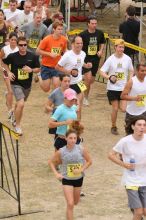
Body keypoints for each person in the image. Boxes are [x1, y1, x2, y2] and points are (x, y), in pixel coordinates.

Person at [48, 129, 92, 220]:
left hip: (78, 179)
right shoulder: (61, 151)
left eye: (75, 138)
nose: (72, 140)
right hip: (66, 179)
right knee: (70, 204)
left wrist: (81, 169)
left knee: (75, 202)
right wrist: (56, 174)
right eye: (70, 138)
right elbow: (51, 162)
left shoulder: (81, 149)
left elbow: (89, 161)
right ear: (66, 138)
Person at [108, 116, 146, 220]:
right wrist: (123, 164)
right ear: (133, 126)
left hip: (144, 180)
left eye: (144, 125)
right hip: (131, 180)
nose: (142, 127)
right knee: (138, 212)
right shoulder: (125, 141)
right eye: (139, 125)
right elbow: (111, 154)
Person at [2, 36, 40, 135]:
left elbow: (38, 69)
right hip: (15, 83)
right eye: (20, 45)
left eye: (25, 45)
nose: (23, 47)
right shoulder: (12, 56)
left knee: (19, 103)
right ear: (17, 46)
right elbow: (4, 64)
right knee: (21, 104)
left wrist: (31, 70)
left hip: (27, 85)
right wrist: (9, 73)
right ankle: (17, 126)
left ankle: (13, 113)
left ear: (27, 45)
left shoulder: (33, 56)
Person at [100, 39, 134, 135]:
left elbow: (131, 70)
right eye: (119, 47)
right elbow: (102, 71)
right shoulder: (110, 59)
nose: (121, 49)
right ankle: (113, 126)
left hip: (124, 88)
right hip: (112, 88)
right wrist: (109, 77)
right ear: (115, 47)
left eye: (122, 47)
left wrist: (130, 80)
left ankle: (128, 124)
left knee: (123, 109)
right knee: (115, 108)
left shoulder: (127, 59)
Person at [56, 35, 92, 120]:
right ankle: (65, 125)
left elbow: (80, 63)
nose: (79, 45)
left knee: (78, 108)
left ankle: (77, 127)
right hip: (69, 84)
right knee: (67, 108)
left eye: (81, 43)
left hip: (79, 82)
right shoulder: (67, 55)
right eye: (77, 43)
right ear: (73, 44)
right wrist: (69, 72)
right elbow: (57, 67)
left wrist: (86, 65)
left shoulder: (83, 53)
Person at [80, 15, 105, 106]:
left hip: (95, 58)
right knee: (88, 78)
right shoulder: (82, 34)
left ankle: (79, 84)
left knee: (91, 80)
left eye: (95, 23)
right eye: (92, 23)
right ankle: (85, 98)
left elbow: (102, 42)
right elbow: (78, 45)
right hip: (86, 58)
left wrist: (100, 50)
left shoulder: (100, 33)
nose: (94, 25)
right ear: (88, 24)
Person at [36, 21, 67, 92]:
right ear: (54, 29)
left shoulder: (64, 39)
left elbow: (64, 51)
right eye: (58, 29)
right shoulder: (47, 39)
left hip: (57, 66)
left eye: (61, 29)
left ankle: (54, 101)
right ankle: (39, 75)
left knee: (56, 86)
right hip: (46, 66)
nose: (60, 31)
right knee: (46, 89)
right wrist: (49, 54)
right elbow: (37, 51)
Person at [0, 32, 18, 123]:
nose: (13, 41)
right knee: (11, 90)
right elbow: (1, 59)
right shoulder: (5, 49)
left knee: (14, 92)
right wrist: (6, 70)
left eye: (15, 40)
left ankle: (7, 95)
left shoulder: (19, 49)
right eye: (12, 40)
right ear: (9, 40)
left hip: (16, 72)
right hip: (6, 71)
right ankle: (10, 112)